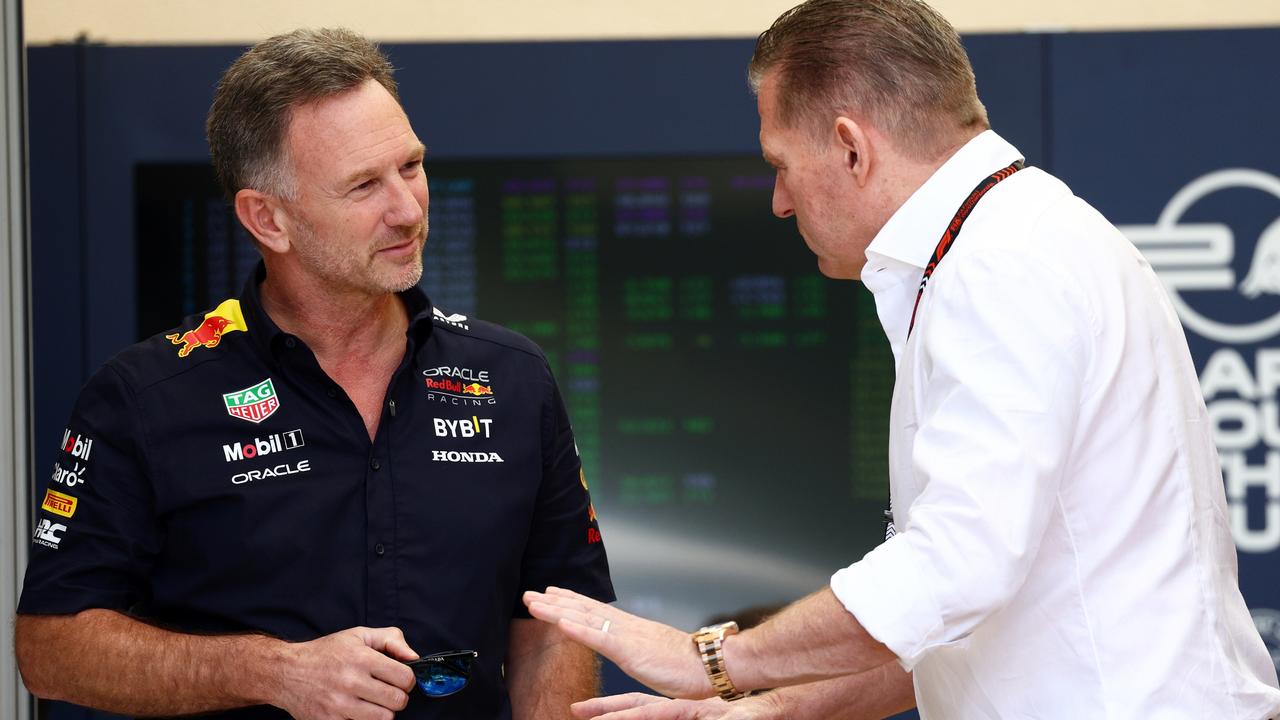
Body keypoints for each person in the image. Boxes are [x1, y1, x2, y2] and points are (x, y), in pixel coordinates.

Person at [522, 1, 1280, 718]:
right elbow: (957, 624)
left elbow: (955, 567)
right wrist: (772, 707)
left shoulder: (1000, 264)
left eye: (780, 163)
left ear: (852, 147)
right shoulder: (1012, 240)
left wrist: (712, 659)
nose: (780, 200)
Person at [16, 28, 612, 720]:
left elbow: (555, 614)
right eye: (364, 185)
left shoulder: (513, 377)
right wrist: (272, 671)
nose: (408, 209)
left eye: (411, 166)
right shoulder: (144, 398)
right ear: (267, 218)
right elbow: (51, 649)